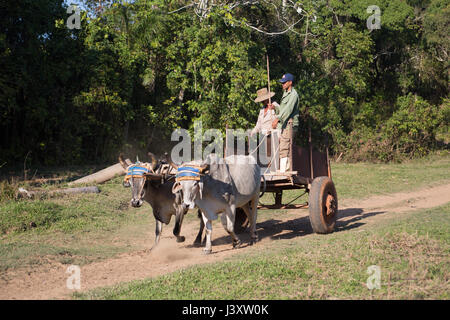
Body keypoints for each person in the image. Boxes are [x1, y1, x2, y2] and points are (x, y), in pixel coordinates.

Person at [271, 73, 299, 172]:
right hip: (285, 123)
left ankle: (284, 170)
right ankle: (285, 168)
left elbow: (288, 110)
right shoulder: (285, 93)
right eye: (282, 83)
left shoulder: (293, 94)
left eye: (284, 82)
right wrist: (276, 108)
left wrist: (277, 119)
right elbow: (283, 109)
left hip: (290, 123)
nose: (282, 84)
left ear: (290, 82)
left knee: (285, 146)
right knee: (284, 145)